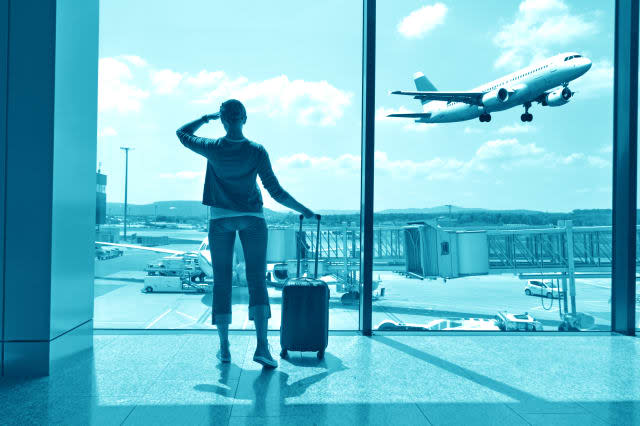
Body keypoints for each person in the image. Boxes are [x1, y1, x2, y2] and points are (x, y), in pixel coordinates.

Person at [176, 99, 315, 368]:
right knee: (256, 281)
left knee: (222, 283)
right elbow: (276, 192)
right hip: (252, 219)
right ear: (245, 118)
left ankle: (224, 348)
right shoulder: (256, 151)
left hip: (220, 220)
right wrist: (304, 209)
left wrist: (206, 118)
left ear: (223, 119)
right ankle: (262, 347)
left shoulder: (213, 148)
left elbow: (182, 134)